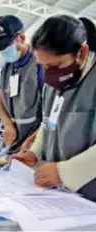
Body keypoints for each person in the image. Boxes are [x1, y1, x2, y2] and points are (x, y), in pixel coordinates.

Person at [16, 15, 96, 202]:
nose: (49, 74)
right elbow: (48, 124)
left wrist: (65, 172)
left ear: (82, 53)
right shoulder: (52, 86)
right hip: (61, 197)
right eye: (43, 66)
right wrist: (35, 153)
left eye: (55, 65)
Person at [0, 15, 43, 154]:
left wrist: (33, 140)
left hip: (35, 144)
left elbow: (51, 113)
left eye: (6, 47)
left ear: (21, 38)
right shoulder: (6, 69)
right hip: (14, 144)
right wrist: (8, 125)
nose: (3, 52)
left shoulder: (40, 65)